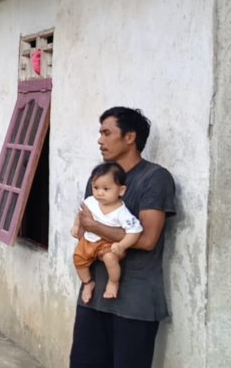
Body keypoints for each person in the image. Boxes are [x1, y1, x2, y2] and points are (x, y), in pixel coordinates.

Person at [70, 107, 176, 368]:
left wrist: (94, 226)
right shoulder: (99, 178)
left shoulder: (155, 178)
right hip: (93, 298)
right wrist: (87, 229)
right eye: (100, 133)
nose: (100, 140)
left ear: (130, 137)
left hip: (135, 304)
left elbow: (147, 239)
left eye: (107, 133)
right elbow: (84, 229)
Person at [71, 162, 143, 304]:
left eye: (106, 189)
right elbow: (80, 214)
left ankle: (113, 282)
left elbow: (135, 231)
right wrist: (76, 226)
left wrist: (122, 245)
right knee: (78, 259)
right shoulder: (91, 202)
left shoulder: (122, 212)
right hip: (88, 241)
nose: (99, 193)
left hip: (107, 243)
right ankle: (87, 283)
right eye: (96, 187)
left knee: (110, 259)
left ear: (121, 191)